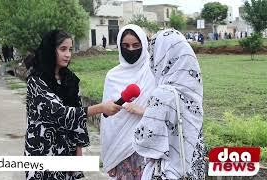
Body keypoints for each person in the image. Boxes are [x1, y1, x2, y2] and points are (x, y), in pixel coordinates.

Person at [24, 30, 122, 180]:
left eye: (70, 49)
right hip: (42, 150)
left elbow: (77, 120)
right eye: (62, 49)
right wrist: (101, 107)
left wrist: (78, 153)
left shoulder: (69, 80)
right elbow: (60, 113)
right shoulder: (36, 81)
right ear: (51, 50)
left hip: (66, 149)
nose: (68, 54)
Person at [127, 29, 206, 179]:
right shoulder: (192, 90)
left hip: (168, 173)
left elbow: (144, 141)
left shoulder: (163, 94)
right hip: (191, 170)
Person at [100, 24, 155, 179]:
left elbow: (165, 111)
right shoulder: (112, 76)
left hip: (149, 148)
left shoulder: (154, 72)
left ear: (144, 45)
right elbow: (108, 123)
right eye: (126, 45)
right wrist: (109, 158)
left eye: (136, 45)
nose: (131, 49)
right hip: (121, 152)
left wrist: (142, 111)